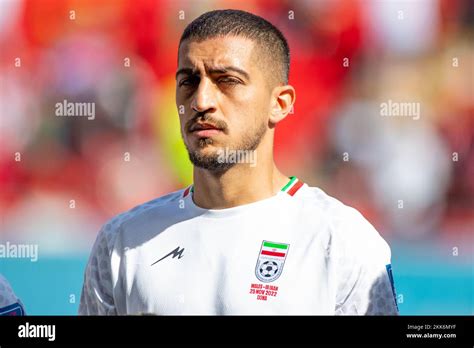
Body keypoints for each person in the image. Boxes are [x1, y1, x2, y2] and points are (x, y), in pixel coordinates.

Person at [79, 9, 398, 315]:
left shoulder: (341, 240)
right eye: (188, 81)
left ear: (279, 103)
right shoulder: (122, 242)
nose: (201, 101)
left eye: (227, 80)